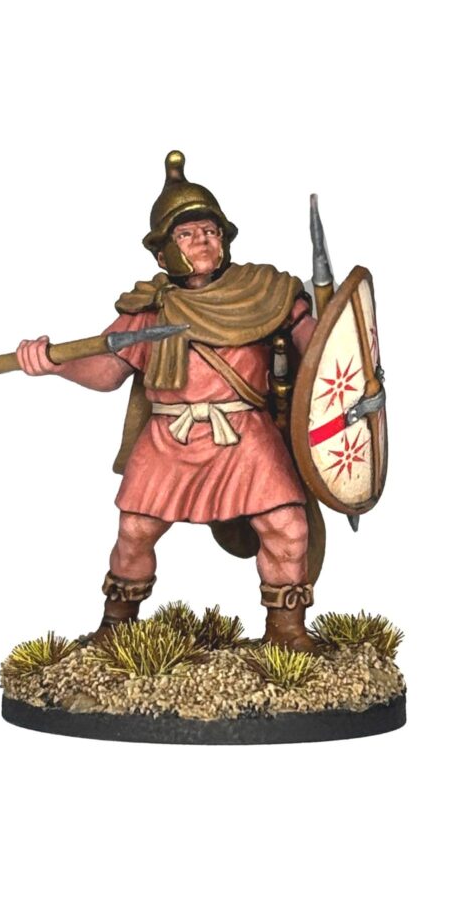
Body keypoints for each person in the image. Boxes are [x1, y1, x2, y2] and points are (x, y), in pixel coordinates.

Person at [16, 152, 319, 652]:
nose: (202, 240)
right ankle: (116, 626)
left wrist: (339, 347)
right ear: (163, 254)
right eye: (187, 234)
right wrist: (54, 363)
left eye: (210, 231)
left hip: (245, 434)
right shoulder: (148, 310)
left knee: (286, 526)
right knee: (135, 530)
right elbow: (107, 371)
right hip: (169, 437)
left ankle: (286, 631)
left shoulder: (267, 294)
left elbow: (322, 351)